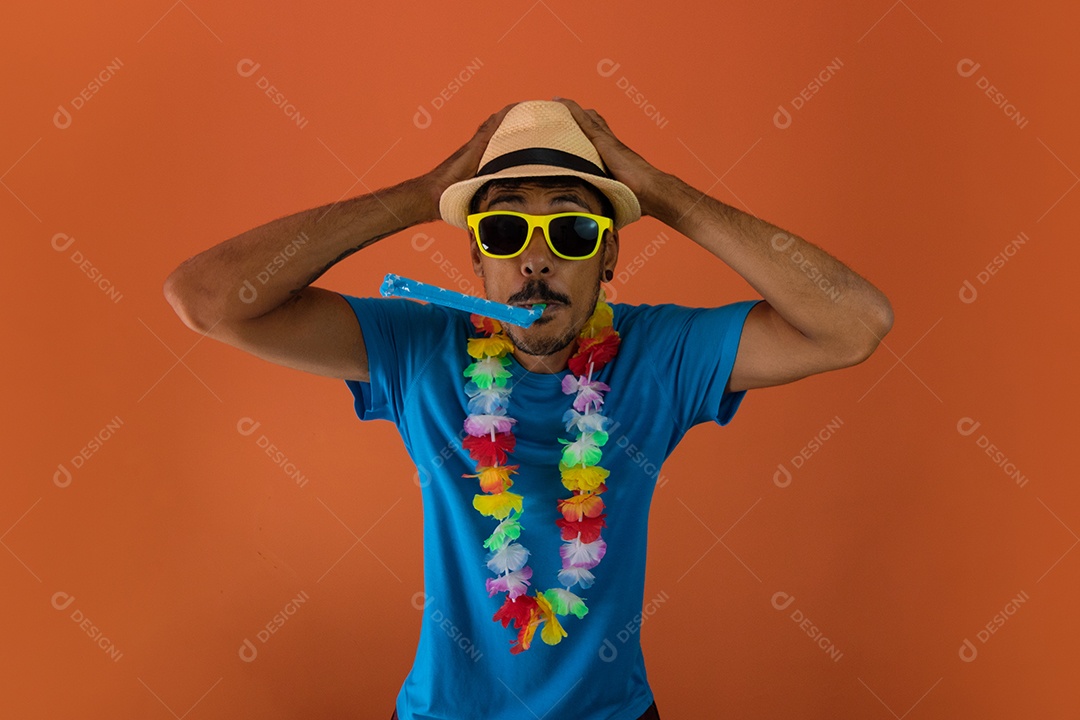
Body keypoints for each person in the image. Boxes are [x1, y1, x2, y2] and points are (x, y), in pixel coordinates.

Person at [164, 98, 893, 720]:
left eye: (573, 231)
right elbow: (205, 301)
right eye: (505, 231)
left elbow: (855, 323)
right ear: (476, 262)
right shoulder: (419, 347)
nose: (535, 260)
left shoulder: (659, 353)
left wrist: (663, 195)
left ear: (609, 259)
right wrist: (419, 197)